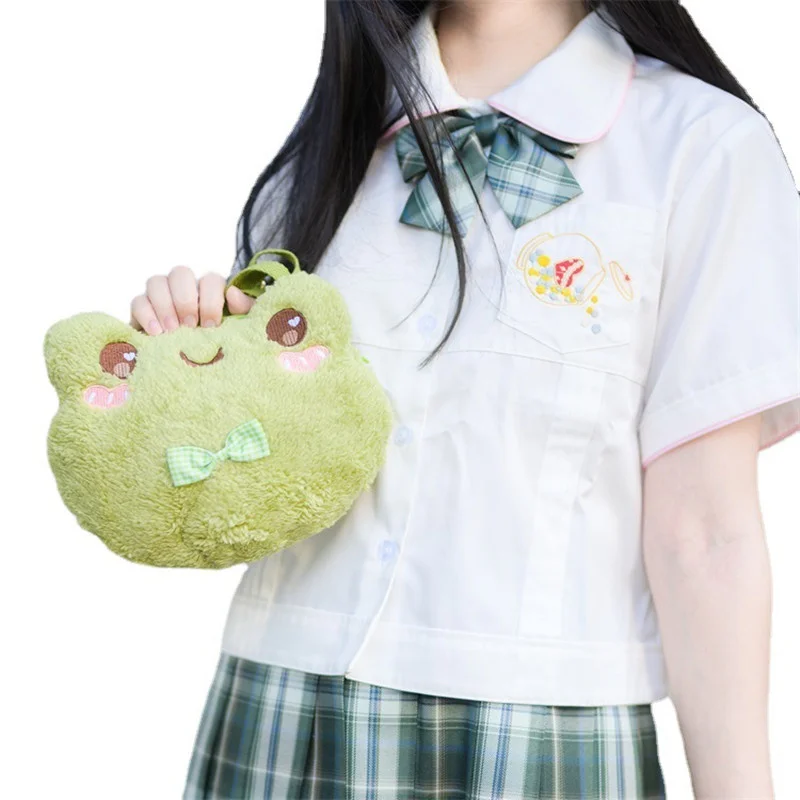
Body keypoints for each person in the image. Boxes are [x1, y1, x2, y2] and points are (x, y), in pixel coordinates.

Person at [131, 1, 800, 797]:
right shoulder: (331, 144)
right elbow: (248, 489)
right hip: (281, 706)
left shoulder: (701, 147)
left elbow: (706, 535)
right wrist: (186, 370)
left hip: (541, 733)